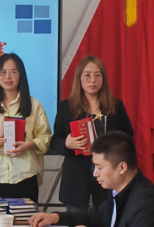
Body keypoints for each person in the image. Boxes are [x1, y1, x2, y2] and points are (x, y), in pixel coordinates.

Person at [52, 55, 133, 212]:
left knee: (105, 222)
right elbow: (55, 141)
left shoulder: (115, 105)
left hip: (108, 174)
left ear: (103, 79)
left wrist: (114, 146)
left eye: (97, 75)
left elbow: (128, 137)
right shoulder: (66, 107)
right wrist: (66, 144)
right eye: (87, 75)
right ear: (79, 78)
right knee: (76, 223)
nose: (92, 80)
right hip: (76, 177)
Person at [0, 53, 51, 203]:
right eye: (3, 72)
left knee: (25, 219)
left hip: (24, 177)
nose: (8, 77)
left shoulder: (34, 105)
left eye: (13, 72)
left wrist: (28, 145)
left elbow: (45, 137)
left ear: (21, 75)